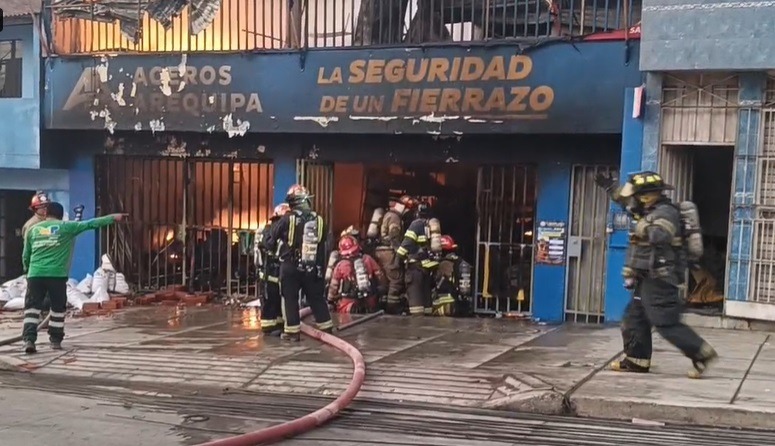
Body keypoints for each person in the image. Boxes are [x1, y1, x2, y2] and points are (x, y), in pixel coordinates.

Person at [595, 171, 718, 379]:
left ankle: (701, 352)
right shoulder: (646, 209)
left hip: (660, 277)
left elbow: (660, 235)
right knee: (635, 318)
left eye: (637, 195)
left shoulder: (664, 212)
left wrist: (643, 225)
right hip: (645, 276)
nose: (632, 199)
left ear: (647, 195)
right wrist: (610, 187)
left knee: (665, 321)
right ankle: (636, 360)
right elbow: (625, 200)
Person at [22, 202, 124, 354]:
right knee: (57, 309)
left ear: (45, 213)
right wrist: (113, 218)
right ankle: (55, 341)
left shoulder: (33, 229)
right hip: (56, 276)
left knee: (31, 309)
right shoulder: (67, 227)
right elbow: (91, 224)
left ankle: (29, 340)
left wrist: (27, 271)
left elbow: (26, 255)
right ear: (61, 215)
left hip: (35, 275)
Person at [267, 185, 334, 341]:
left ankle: (292, 333)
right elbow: (324, 242)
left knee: (290, 298)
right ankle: (326, 328)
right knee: (316, 297)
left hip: (290, 266)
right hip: (312, 266)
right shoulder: (319, 220)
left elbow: (270, 240)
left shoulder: (286, 219)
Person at [371, 195, 418, 313]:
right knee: (396, 279)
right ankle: (392, 308)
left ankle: (383, 305)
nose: (408, 213)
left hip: (382, 251)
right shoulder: (395, 218)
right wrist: (402, 254)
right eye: (408, 210)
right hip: (389, 252)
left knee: (387, 280)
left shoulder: (388, 214)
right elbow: (394, 237)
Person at [396, 202, 442, 316]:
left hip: (415, 269)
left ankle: (416, 327)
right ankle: (427, 325)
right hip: (427, 268)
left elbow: (406, 244)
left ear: (417, 213)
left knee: (416, 306)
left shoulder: (416, 224)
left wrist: (398, 258)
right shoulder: (430, 225)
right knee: (426, 302)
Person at [257, 203, 291, 335]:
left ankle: (278, 324)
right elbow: (271, 249)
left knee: (277, 300)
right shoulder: (271, 231)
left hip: (276, 272)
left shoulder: (277, 231)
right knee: (270, 300)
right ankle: (268, 327)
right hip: (269, 272)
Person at [328, 235, 384, 314]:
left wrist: (330, 299)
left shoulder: (340, 265)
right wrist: (382, 290)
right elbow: (380, 276)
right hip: (369, 299)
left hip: (348, 302)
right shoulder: (368, 259)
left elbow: (334, 285)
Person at [433, 235, 473, 317]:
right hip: (461, 305)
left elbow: (435, 282)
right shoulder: (461, 262)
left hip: (446, 306)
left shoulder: (443, 264)